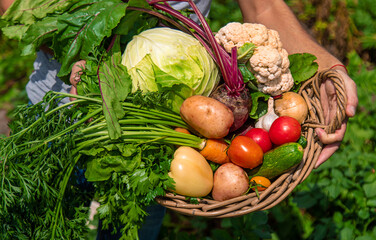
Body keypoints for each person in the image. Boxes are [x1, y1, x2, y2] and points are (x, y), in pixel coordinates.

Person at [1, 0, 358, 239]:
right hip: (63, 111)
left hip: (161, 139)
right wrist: (87, 60)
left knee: (130, 229)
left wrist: (327, 66)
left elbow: (263, 5)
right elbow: (15, 6)